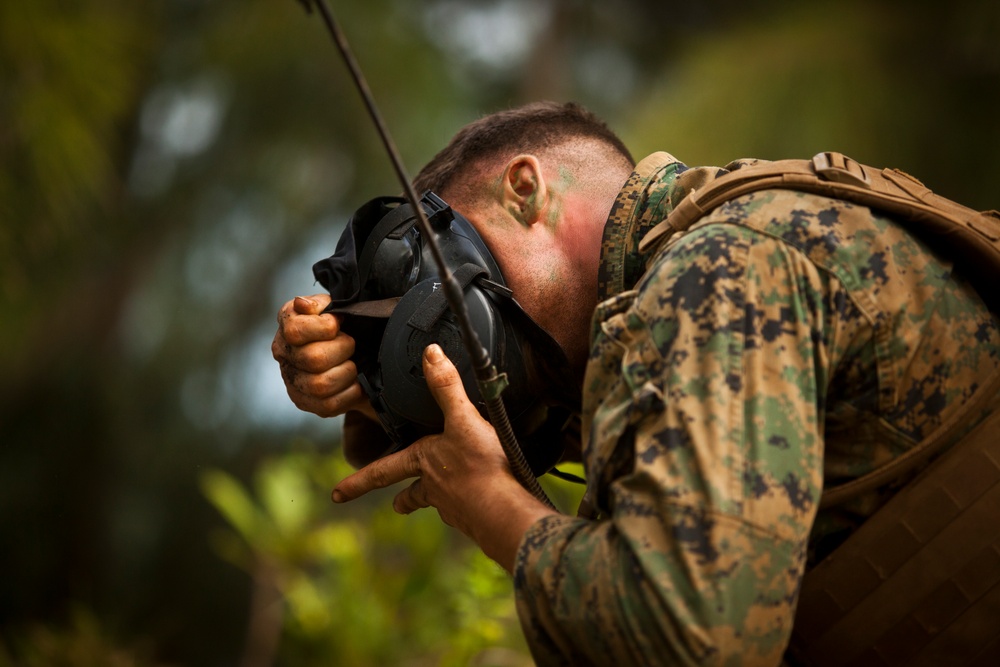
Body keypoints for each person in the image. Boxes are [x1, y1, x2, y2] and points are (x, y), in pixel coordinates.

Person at [272, 102, 1000, 665]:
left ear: (527, 191)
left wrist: (494, 505)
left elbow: (692, 641)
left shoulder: (716, 273)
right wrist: (354, 378)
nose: (459, 336)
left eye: (449, 281)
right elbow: (463, 432)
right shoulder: (685, 293)